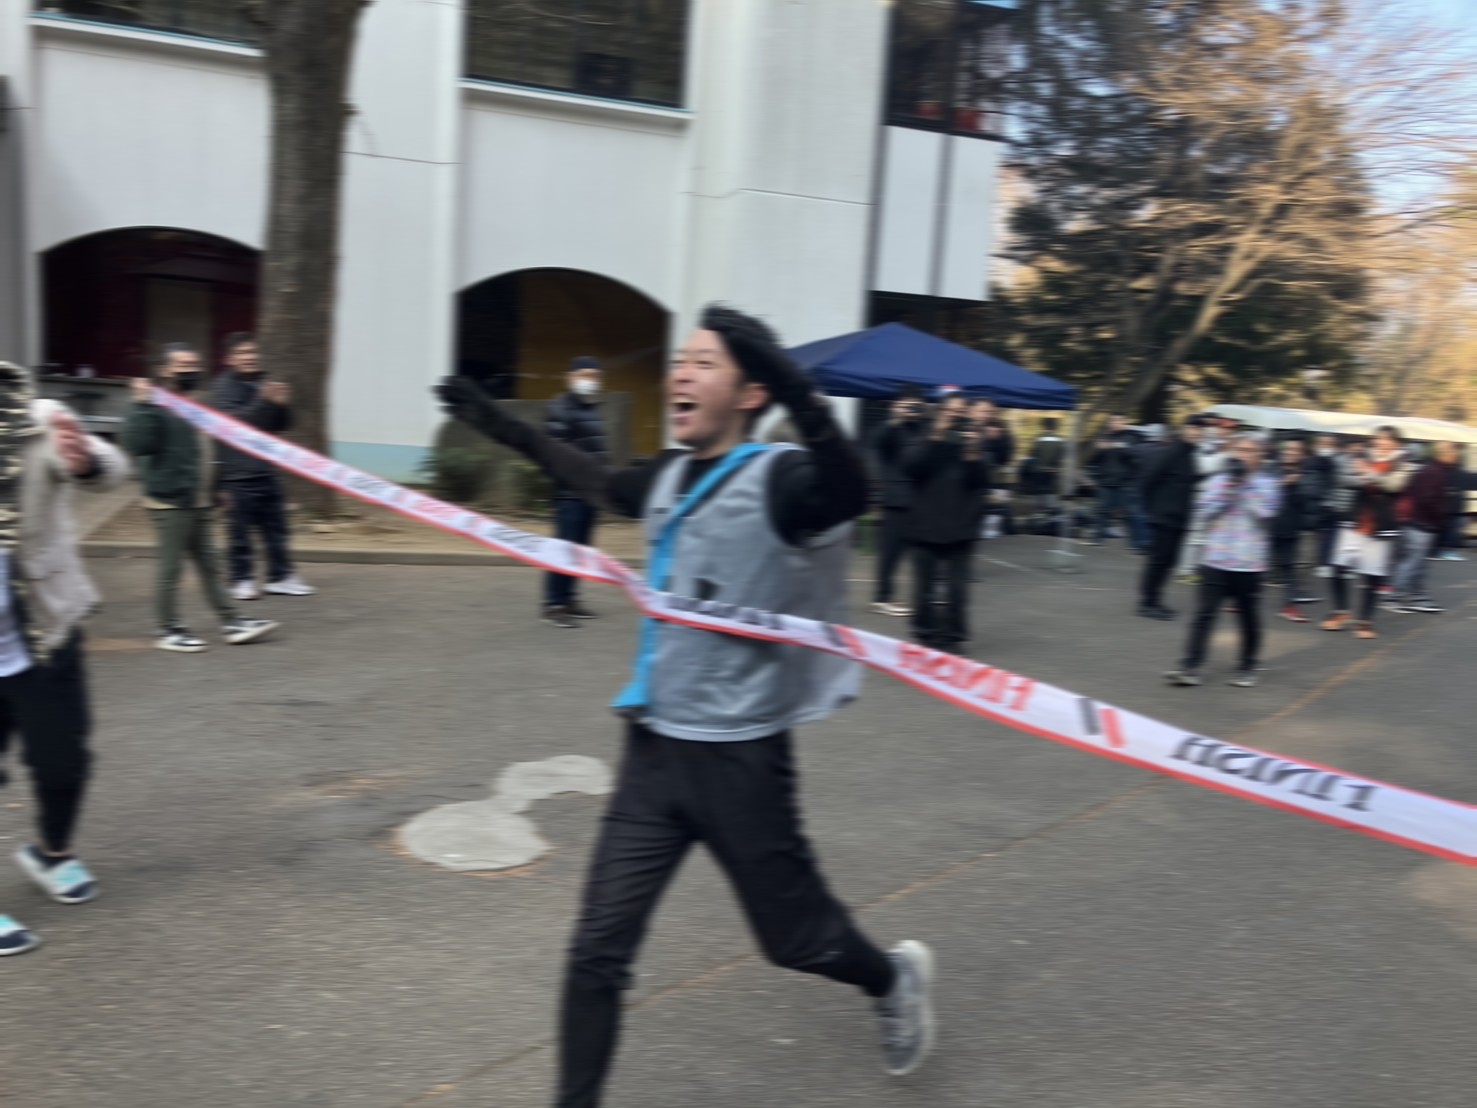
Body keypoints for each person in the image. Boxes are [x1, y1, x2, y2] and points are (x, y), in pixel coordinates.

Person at [436, 305, 935, 1108]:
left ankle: (890, 977)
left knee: (794, 940)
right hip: (652, 752)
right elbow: (588, 475)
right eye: (681, 361)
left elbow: (850, 488)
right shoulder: (668, 476)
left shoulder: (780, 478)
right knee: (597, 950)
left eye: (704, 362)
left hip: (741, 760)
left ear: (749, 393)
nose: (680, 374)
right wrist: (494, 421)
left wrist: (790, 377)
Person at [0, 361, 129, 956]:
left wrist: (86, 462)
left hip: (40, 634)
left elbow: (111, 467)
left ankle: (52, 852)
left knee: (64, 763)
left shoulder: (32, 421)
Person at [122, 345, 280, 654]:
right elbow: (137, 445)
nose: (191, 370)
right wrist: (140, 405)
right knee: (171, 569)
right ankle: (168, 629)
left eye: (194, 363)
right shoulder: (155, 405)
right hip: (171, 502)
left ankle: (232, 621)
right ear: (165, 370)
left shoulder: (195, 405)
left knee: (210, 566)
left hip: (199, 501)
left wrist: (216, 488)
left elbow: (205, 451)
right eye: (182, 365)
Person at [1164, 435, 1280, 688]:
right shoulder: (1219, 480)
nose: (1242, 454)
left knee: (1248, 618)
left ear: (1259, 457)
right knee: (1203, 615)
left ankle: (1247, 666)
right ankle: (1190, 667)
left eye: (1249, 450)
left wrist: (1244, 485)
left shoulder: (1268, 483)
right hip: (1216, 560)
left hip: (1248, 563)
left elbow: (1266, 514)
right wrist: (1229, 486)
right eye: (1239, 449)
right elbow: (1205, 511)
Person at [209, 333, 314, 601]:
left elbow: (280, 425)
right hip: (237, 474)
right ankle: (241, 579)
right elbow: (236, 427)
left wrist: (282, 406)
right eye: (242, 353)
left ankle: (281, 576)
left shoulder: (263, 383)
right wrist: (265, 401)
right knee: (240, 533)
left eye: (252, 352)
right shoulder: (222, 388)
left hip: (266, 469)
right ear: (229, 359)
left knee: (278, 530)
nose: (250, 357)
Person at [903, 396, 991, 650]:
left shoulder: (972, 440)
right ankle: (926, 632)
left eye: (960, 411)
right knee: (924, 589)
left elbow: (982, 481)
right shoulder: (925, 436)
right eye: (950, 411)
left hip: (960, 528)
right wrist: (937, 436)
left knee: (957, 590)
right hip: (925, 525)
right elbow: (911, 468)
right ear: (940, 413)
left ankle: (953, 635)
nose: (955, 416)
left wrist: (973, 455)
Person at [1322, 426, 1411, 640]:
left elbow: (1393, 485)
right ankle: (1341, 611)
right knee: (1336, 569)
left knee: (1371, 576)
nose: (1382, 443)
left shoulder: (1405, 464)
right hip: (1355, 522)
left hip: (1380, 527)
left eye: (1387, 440)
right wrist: (1364, 475)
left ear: (1396, 443)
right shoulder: (1363, 456)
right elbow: (1347, 480)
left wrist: (1367, 474)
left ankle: (1365, 620)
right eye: (1378, 439)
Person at [541, 357, 609, 629]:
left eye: (595, 376)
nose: (590, 381)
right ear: (570, 377)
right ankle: (553, 605)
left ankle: (569, 599)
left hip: (590, 493)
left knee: (580, 551)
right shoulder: (561, 408)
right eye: (585, 374)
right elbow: (555, 452)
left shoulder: (590, 408)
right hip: (570, 494)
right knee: (563, 550)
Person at [1136, 417, 1206, 619]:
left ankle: (1155, 600)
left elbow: (1188, 482)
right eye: (1193, 428)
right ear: (1185, 429)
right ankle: (1147, 603)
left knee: (1169, 562)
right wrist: (1153, 510)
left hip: (1180, 519)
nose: (1196, 433)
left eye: (1200, 430)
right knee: (1159, 561)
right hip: (1164, 518)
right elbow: (1147, 480)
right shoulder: (1171, 451)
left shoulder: (1191, 454)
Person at [868, 391, 927, 615]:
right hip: (896, 500)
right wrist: (896, 419)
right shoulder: (890, 428)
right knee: (891, 552)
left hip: (920, 500)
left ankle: (926, 594)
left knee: (923, 551)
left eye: (917, 406)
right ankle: (883, 597)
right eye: (908, 406)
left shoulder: (922, 428)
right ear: (897, 405)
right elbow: (878, 443)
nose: (913, 410)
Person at [1387, 441, 1458, 614]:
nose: (1457, 456)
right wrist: (1441, 516)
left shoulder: (1434, 469)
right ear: (1445, 454)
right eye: (1454, 453)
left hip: (1420, 523)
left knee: (1417, 564)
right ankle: (1394, 597)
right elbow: (1428, 499)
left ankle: (1416, 597)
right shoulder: (1434, 471)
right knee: (1412, 563)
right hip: (1422, 524)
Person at [1268, 438, 1324, 623]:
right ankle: (1237, 599)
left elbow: (1311, 499)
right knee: (1255, 565)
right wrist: (1283, 484)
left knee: (1288, 569)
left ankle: (1289, 607)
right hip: (1267, 526)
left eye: (1295, 450)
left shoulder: (1308, 474)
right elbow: (1262, 492)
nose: (1290, 452)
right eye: (1287, 449)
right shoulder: (1273, 468)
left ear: (1302, 455)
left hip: (1290, 528)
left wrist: (1295, 486)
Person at [1084, 415, 1138, 546]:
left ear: (1125, 423)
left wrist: (1114, 445)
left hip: (1123, 482)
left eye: (1118, 421)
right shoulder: (1105, 437)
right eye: (1113, 421)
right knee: (1102, 510)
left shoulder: (1130, 437)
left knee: (1127, 512)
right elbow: (1097, 457)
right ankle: (1097, 538)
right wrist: (1098, 448)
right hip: (1106, 481)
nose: (1115, 423)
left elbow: (1131, 452)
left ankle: (1136, 542)